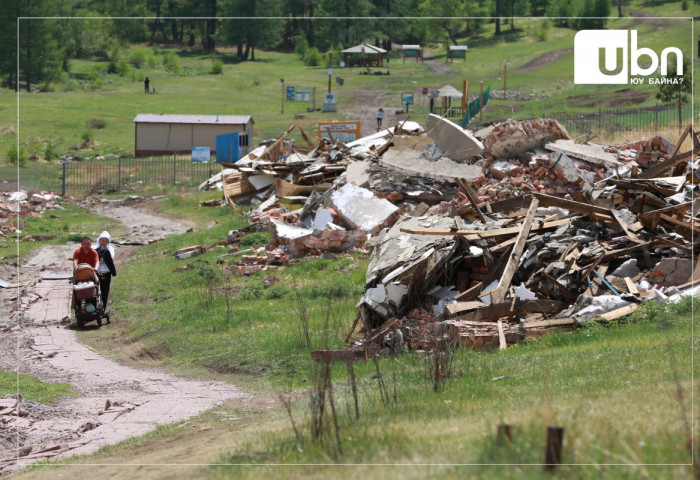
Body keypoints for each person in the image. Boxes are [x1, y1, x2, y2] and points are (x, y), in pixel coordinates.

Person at [94, 231, 117, 310]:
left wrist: (103, 252)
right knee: (95, 291)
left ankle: (103, 308)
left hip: (106, 273)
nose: (103, 243)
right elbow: (95, 260)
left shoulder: (110, 249)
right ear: (99, 241)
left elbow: (110, 258)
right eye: (102, 241)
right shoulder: (95, 249)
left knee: (105, 291)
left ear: (108, 242)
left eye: (105, 241)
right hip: (96, 273)